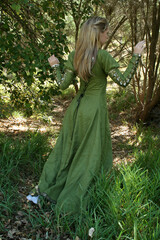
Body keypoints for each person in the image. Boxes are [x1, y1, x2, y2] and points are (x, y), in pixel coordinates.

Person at [27, 16, 145, 214]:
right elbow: (123, 81)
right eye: (106, 32)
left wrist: (55, 65)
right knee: (88, 155)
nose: (108, 35)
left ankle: (47, 192)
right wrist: (136, 55)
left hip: (75, 110)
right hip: (93, 111)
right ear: (97, 33)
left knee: (67, 149)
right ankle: (71, 203)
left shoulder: (75, 55)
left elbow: (62, 84)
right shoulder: (103, 56)